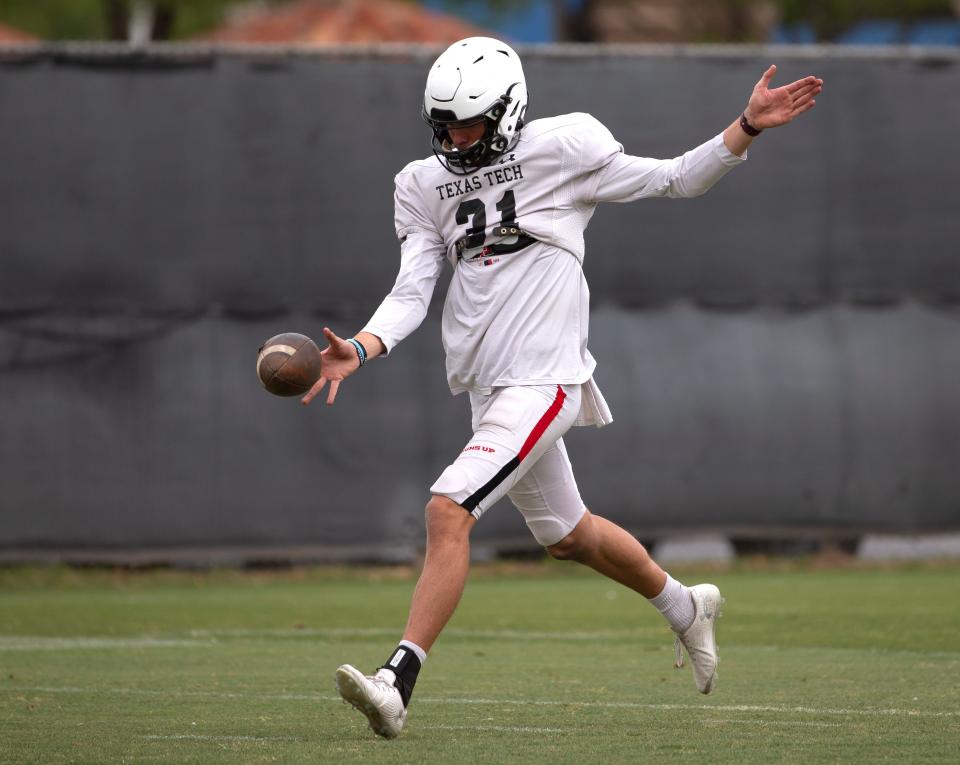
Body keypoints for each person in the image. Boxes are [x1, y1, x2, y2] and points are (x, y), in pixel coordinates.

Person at [302, 37, 823, 739]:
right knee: (569, 536)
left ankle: (397, 680)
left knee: (447, 509)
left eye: (470, 123)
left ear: (510, 110)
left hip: (545, 376)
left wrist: (747, 125)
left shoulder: (564, 147)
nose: (456, 137)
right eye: (444, 124)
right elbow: (412, 289)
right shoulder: (421, 183)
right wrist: (360, 349)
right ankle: (685, 605)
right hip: (488, 386)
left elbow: (673, 178)